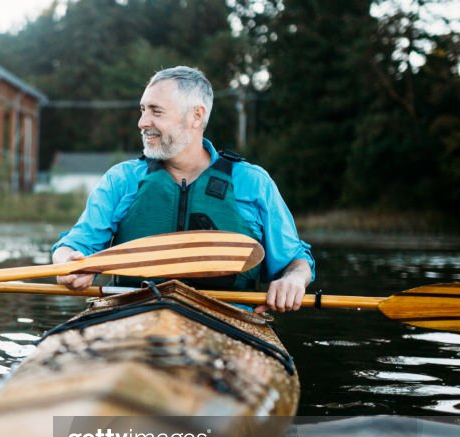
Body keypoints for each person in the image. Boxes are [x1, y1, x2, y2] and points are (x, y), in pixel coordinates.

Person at [52, 66, 313, 313]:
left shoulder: (253, 182)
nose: (142, 122)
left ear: (196, 116)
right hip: (132, 315)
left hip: (228, 319)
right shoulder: (121, 180)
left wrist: (295, 279)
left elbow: (295, 260)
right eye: (142, 110)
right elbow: (74, 246)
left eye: (156, 111)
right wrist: (67, 264)